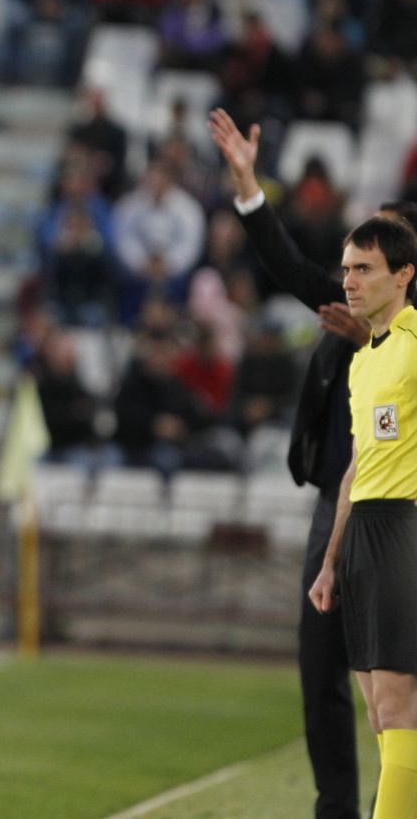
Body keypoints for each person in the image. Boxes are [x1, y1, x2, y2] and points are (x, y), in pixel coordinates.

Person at [211, 106, 414, 819]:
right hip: (341, 500)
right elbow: (289, 263)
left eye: (373, 256)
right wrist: (248, 187)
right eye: (353, 261)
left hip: (399, 513)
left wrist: (372, 343)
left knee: (394, 696)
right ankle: (339, 808)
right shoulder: (354, 308)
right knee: (329, 670)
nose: (352, 274)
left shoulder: (398, 335)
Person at [310, 215, 417, 819]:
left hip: (404, 530)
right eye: (346, 268)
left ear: (403, 275)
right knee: (379, 714)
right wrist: (330, 561)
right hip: (361, 541)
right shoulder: (362, 361)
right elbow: (356, 468)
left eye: (364, 269)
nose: (349, 281)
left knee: (400, 711)